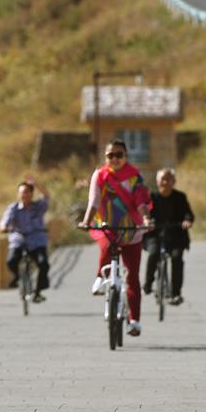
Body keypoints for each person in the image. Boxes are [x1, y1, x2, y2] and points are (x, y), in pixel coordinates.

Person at [78, 139, 153, 337]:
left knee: (133, 277)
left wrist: (146, 218)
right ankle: (100, 278)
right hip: (108, 226)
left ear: (126, 156)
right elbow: (93, 201)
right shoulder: (100, 175)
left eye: (119, 155)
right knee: (106, 247)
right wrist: (86, 221)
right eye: (110, 155)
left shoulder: (134, 176)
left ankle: (134, 321)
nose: (115, 159)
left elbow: (141, 200)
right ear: (105, 158)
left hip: (132, 229)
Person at [143, 168, 194, 305]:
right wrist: (147, 222)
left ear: (174, 181)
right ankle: (148, 283)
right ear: (157, 181)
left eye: (168, 179)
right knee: (153, 254)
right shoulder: (151, 197)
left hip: (176, 235)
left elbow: (188, 214)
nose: (165, 182)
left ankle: (176, 293)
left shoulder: (180, 197)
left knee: (177, 258)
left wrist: (187, 221)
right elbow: (144, 214)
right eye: (162, 179)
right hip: (155, 234)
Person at [0, 176, 50, 302]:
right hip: (19, 240)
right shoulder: (14, 208)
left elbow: (46, 196)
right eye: (22, 192)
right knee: (11, 261)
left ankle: (37, 291)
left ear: (32, 194)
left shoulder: (38, 207)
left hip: (36, 241)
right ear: (18, 194)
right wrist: (4, 227)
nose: (24, 195)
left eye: (27, 192)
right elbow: (4, 221)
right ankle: (17, 277)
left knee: (43, 264)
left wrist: (36, 184)